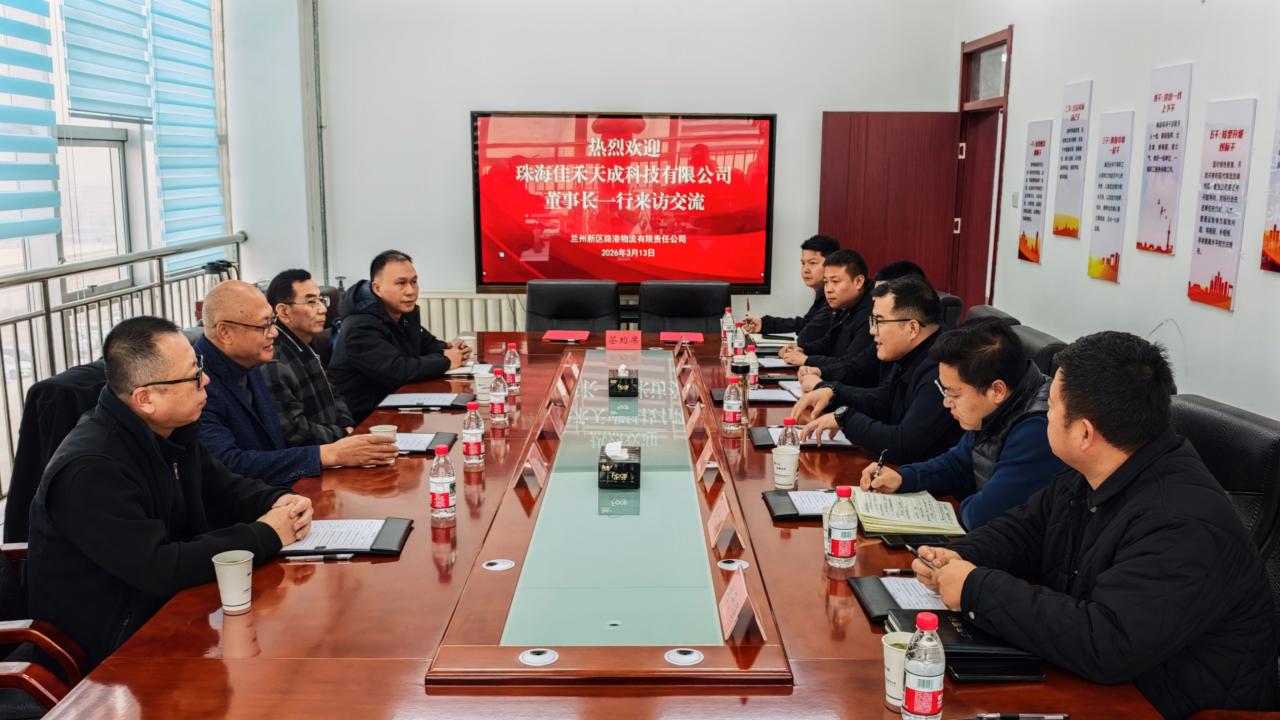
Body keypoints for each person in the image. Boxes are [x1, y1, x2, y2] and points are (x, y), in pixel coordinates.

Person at [913, 332, 1279, 718]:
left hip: (1165, 704)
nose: (1044, 413)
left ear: (1085, 433)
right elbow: (1026, 530)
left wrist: (975, 589)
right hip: (1102, 684)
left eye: (1052, 406)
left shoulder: (1182, 525)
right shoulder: (1097, 471)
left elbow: (1107, 642)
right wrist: (957, 556)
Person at [27, 316, 315, 668]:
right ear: (145, 398)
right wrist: (267, 533)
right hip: (109, 656)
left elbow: (226, 488)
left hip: (180, 613)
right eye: (193, 376)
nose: (205, 380)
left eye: (200, 367)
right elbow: (159, 567)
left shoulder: (172, 430)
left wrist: (278, 500)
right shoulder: (89, 470)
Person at [858, 318, 1064, 529]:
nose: (946, 403)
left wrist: (954, 508)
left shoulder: (1038, 429)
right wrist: (903, 478)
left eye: (954, 394)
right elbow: (957, 463)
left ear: (997, 391)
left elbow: (983, 516)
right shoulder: (997, 408)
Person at [196, 281, 397, 484]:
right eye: (264, 326)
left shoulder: (249, 360)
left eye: (272, 322)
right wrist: (328, 454)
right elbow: (228, 464)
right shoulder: (198, 383)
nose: (274, 333)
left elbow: (275, 444)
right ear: (225, 332)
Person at [794, 275, 961, 464]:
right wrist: (832, 393)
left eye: (879, 321)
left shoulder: (943, 367)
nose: (872, 331)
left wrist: (846, 419)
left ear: (912, 328)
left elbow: (903, 445)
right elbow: (884, 400)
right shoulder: (912, 351)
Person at [329, 250, 471, 422]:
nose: (410, 291)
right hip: (366, 418)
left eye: (414, 282)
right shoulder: (360, 327)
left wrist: (452, 350)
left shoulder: (401, 313)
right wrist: (447, 360)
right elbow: (397, 370)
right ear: (377, 288)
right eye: (401, 283)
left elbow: (425, 343)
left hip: (397, 402)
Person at [795, 258, 930, 392]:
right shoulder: (848, 310)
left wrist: (813, 367)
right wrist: (820, 372)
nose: (872, 330)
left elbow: (882, 399)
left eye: (882, 294)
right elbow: (856, 367)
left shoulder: (932, 367)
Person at [261, 269, 355, 445]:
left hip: (335, 442)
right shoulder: (274, 360)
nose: (323, 309)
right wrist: (342, 434)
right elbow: (294, 431)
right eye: (311, 302)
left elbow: (333, 392)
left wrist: (345, 423)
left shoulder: (305, 342)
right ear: (284, 311)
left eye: (321, 300)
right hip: (317, 454)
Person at [776, 249, 879, 389]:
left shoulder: (872, 313)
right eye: (826, 282)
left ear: (858, 281)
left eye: (835, 281)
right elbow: (829, 341)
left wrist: (807, 359)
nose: (828, 289)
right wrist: (801, 349)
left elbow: (851, 365)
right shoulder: (846, 304)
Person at [741, 234, 839, 349]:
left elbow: (807, 336)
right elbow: (805, 323)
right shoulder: (822, 296)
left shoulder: (835, 299)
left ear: (832, 265)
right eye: (803, 263)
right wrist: (764, 324)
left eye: (812, 263)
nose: (805, 270)